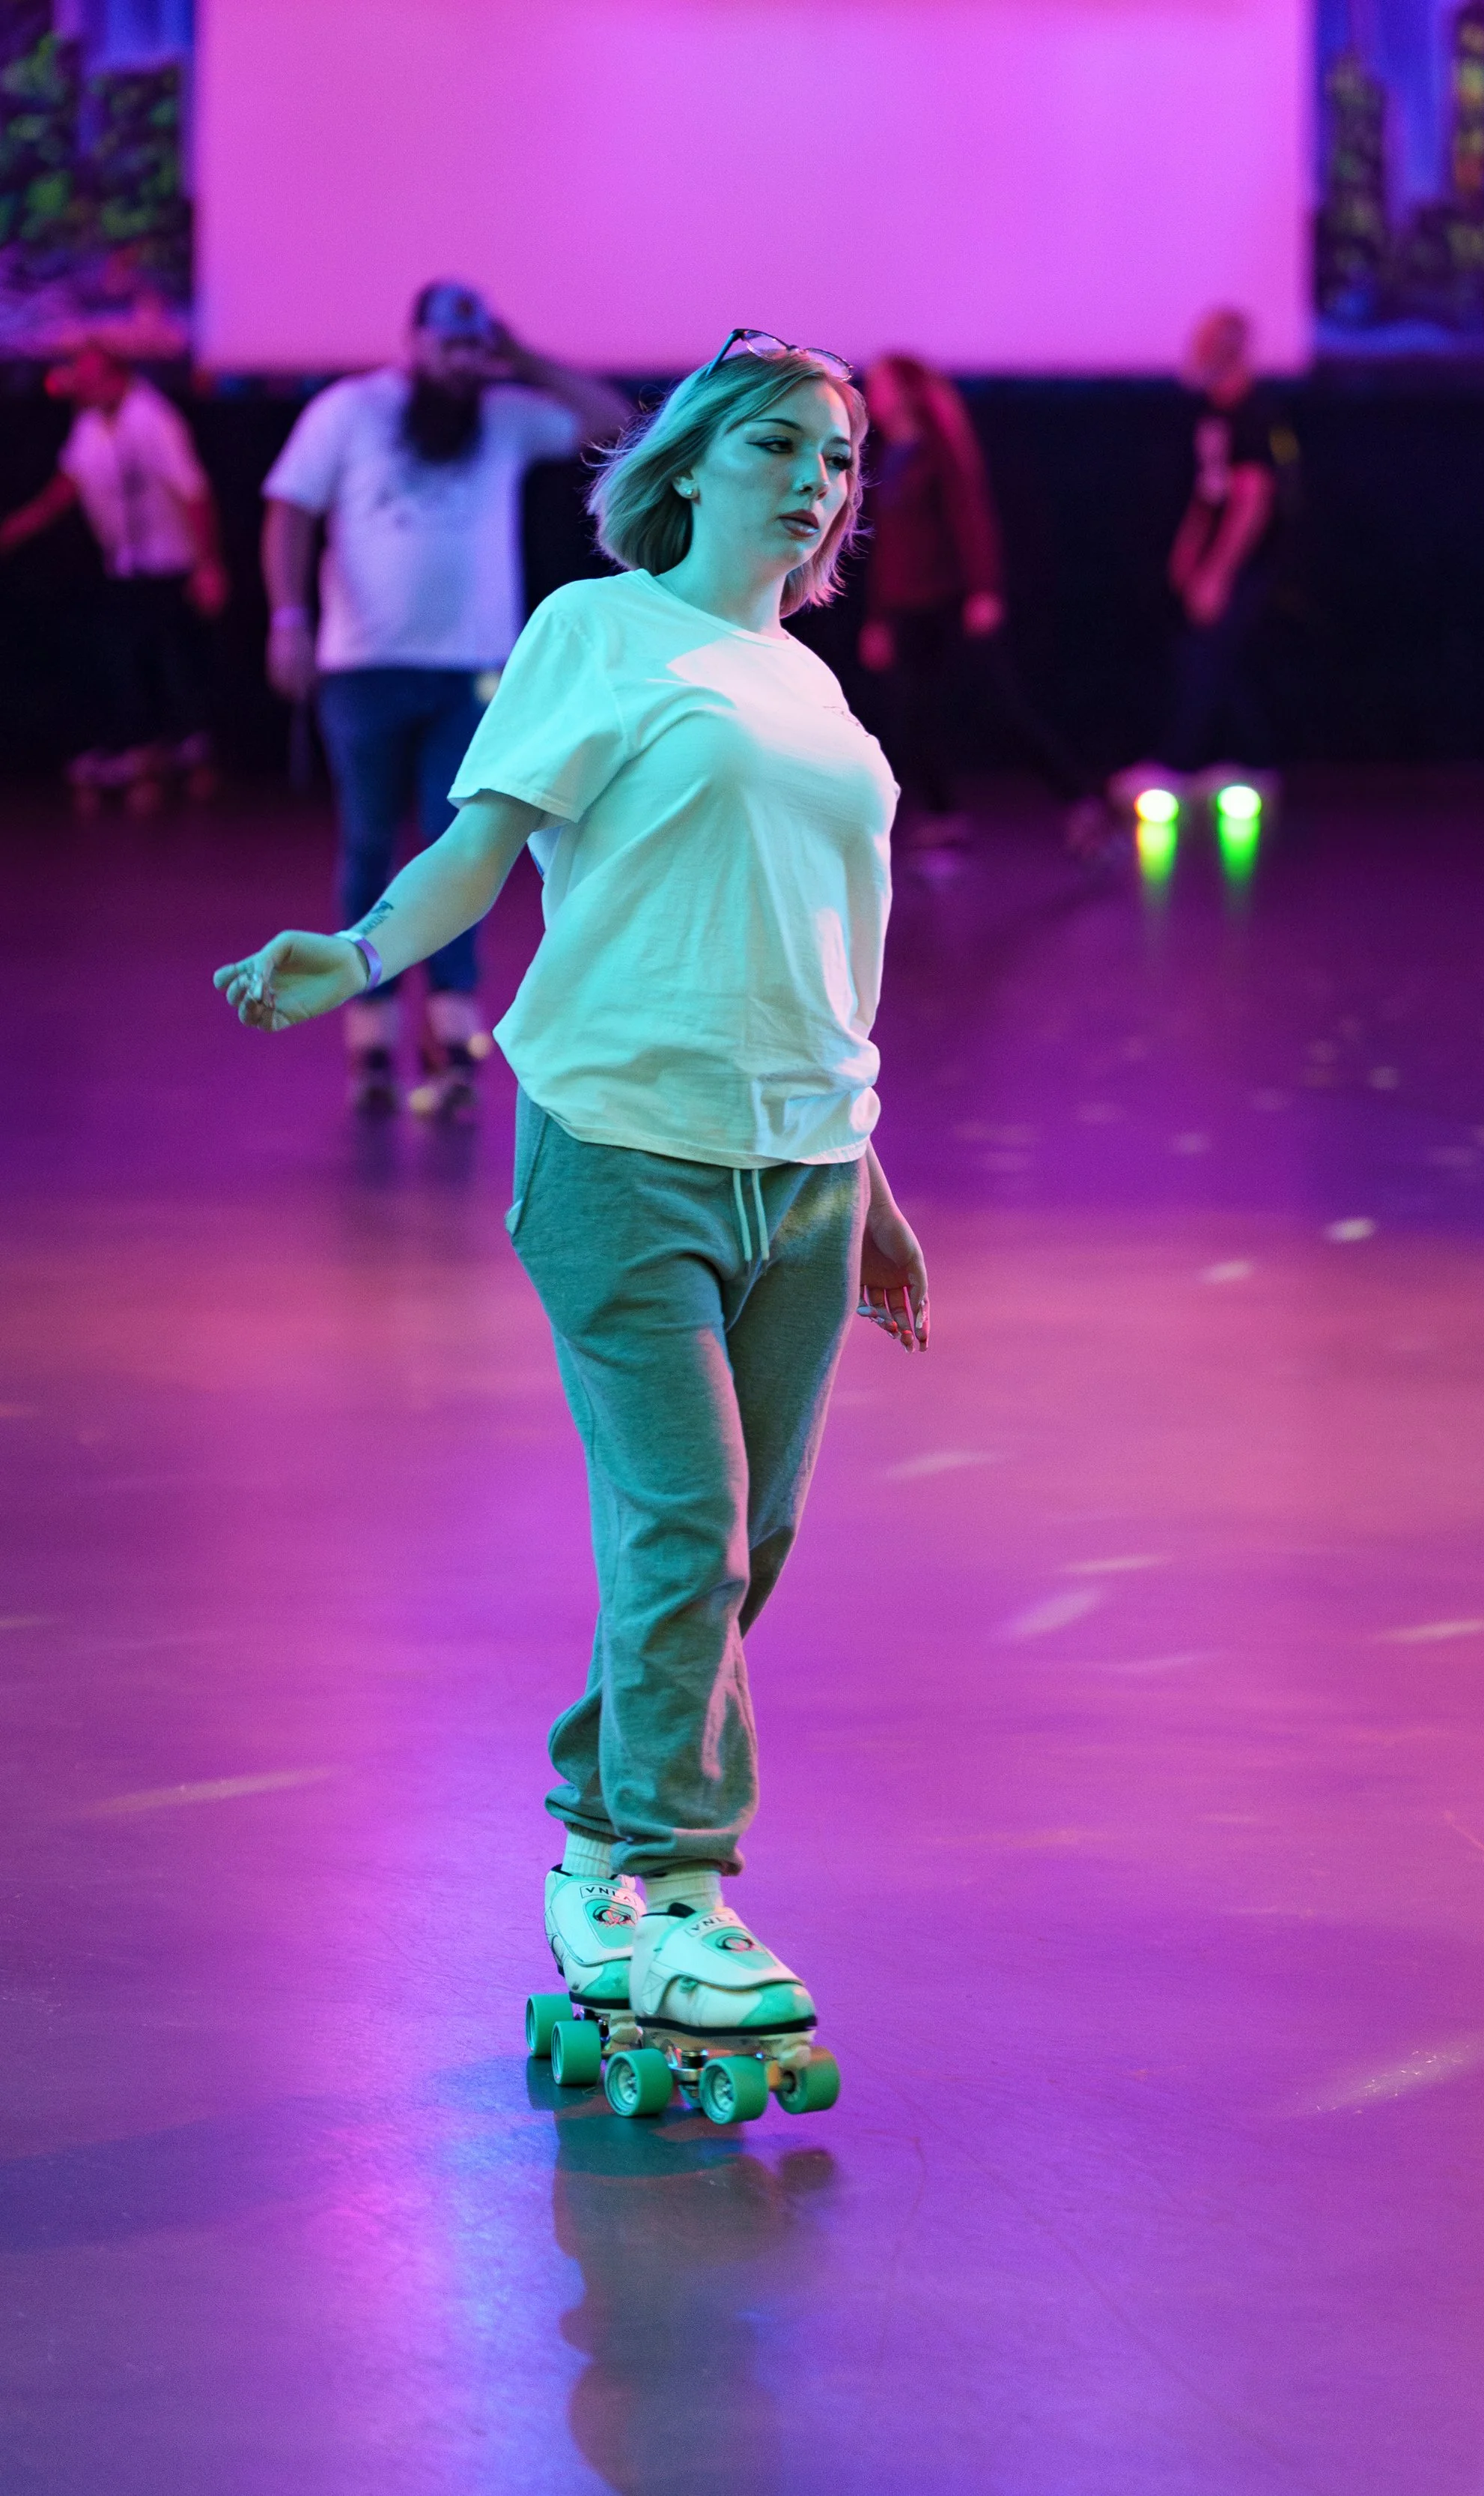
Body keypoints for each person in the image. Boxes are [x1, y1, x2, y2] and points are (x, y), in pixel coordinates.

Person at [215, 333, 929, 2068]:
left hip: (810, 1171)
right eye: (777, 446)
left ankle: (599, 1829)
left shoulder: (815, 692)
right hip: (620, 1148)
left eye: (837, 459)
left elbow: (818, 961)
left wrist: (875, 1185)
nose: (814, 482)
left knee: (745, 1543)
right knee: (687, 1519)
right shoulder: (593, 632)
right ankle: (671, 1891)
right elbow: (481, 840)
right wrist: (369, 949)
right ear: (688, 464)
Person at [261, 281, 630, 1116]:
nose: (459, 363)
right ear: (413, 342)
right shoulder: (351, 412)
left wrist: (524, 356)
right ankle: (370, 1031)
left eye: (473, 348)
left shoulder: (500, 416)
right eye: (446, 345)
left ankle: (455, 1033)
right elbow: (288, 510)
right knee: (366, 841)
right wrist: (288, 617)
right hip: (362, 666)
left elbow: (612, 424)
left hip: (470, 671)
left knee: (460, 844)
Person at [858, 351, 1101, 851]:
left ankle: (1079, 800)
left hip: (951, 602)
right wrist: (878, 618)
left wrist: (984, 590)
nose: (874, 397)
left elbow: (972, 521)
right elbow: (886, 546)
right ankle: (944, 816)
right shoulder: (886, 456)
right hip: (907, 608)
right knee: (910, 716)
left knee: (1003, 708)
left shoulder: (939, 450)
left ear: (905, 392)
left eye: (882, 387)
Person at [0, 339, 227, 810]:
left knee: (170, 661)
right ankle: (145, 754)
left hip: (169, 563)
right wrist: (15, 529)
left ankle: (188, 757)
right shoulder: (90, 427)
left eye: (88, 377)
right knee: (125, 657)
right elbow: (67, 487)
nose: (79, 387)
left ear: (114, 377)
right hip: (125, 564)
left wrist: (207, 564)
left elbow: (194, 492)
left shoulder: (154, 419)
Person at [1129, 306, 1293, 804]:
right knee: (1220, 658)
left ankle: (1177, 762)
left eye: (1206, 342)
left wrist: (1217, 572)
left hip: (1250, 559)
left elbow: (1251, 500)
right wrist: (1188, 549)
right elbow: (1211, 490)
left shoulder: (1254, 414)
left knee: (1204, 655)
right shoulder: (1213, 412)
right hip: (1217, 556)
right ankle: (1252, 761)